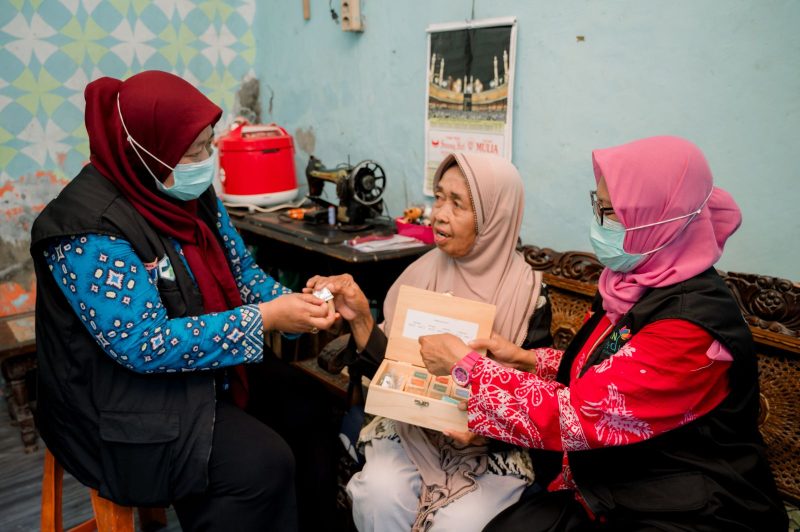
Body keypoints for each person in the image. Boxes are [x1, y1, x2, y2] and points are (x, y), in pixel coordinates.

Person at [418, 136, 788, 531]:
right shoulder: (636, 284)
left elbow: (581, 413)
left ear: (661, 220)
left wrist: (466, 367)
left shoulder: (690, 328)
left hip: (688, 507)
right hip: (620, 481)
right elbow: (613, 372)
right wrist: (529, 359)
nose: (598, 223)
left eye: (611, 212)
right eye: (597, 205)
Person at [30, 71, 336, 532]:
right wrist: (263, 319)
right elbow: (141, 343)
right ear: (145, 150)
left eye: (209, 144)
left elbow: (242, 275)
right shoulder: (86, 229)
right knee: (260, 467)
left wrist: (299, 305)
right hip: (113, 401)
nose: (205, 161)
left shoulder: (189, 194)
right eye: (193, 151)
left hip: (196, 369)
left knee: (313, 406)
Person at [305, 152, 553, 531]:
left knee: (459, 522)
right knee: (378, 493)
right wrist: (361, 319)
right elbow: (390, 365)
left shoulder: (527, 295)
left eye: (458, 204)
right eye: (438, 197)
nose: (438, 214)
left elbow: (538, 390)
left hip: (491, 445)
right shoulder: (419, 274)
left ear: (493, 218)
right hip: (411, 430)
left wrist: (484, 422)